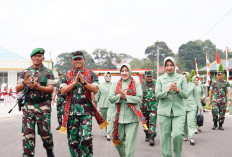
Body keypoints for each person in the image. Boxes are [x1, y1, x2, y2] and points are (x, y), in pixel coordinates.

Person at [16, 48, 55, 157]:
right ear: (31, 58)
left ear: (43, 58)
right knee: (28, 134)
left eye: (39, 56)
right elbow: (18, 88)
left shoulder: (48, 72)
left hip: (43, 106)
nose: (37, 58)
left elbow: (51, 89)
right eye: (35, 56)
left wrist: (37, 87)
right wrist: (24, 82)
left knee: (45, 133)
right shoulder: (25, 72)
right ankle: (28, 155)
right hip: (28, 106)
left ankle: (49, 149)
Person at [60, 51, 99, 157]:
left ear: (84, 60)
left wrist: (84, 82)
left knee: (86, 138)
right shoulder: (66, 74)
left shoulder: (91, 74)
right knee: (73, 141)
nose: (77, 61)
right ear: (71, 61)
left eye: (79, 59)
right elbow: (63, 91)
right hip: (71, 112)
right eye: (75, 59)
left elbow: (95, 89)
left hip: (86, 111)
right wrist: (74, 82)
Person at [109, 63, 145, 157]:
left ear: (130, 72)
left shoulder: (136, 83)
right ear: (120, 72)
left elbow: (139, 99)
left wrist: (126, 97)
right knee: (117, 142)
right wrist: (120, 96)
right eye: (122, 71)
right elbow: (111, 98)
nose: (124, 73)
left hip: (132, 119)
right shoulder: (115, 84)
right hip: (118, 119)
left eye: (126, 70)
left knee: (129, 145)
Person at [155, 57, 188, 157]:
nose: (169, 67)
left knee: (178, 135)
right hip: (164, 112)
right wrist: (168, 90)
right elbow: (157, 96)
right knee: (165, 138)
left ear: (174, 66)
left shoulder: (181, 78)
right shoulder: (160, 79)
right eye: (167, 65)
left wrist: (178, 90)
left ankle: (178, 154)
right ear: (165, 67)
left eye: (171, 65)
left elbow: (186, 95)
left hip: (179, 112)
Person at [182, 72, 201, 145]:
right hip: (182, 106)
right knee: (184, 123)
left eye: (185, 77)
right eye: (183, 77)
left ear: (188, 77)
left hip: (192, 106)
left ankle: (192, 137)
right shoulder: (180, 85)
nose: (184, 78)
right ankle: (185, 136)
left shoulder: (192, 85)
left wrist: (199, 106)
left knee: (191, 122)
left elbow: (196, 96)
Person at [95, 71, 114, 141]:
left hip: (111, 105)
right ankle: (107, 132)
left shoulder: (113, 85)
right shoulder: (101, 86)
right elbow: (97, 95)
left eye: (109, 76)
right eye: (107, 76)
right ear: (104, 77)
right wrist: (95, 103)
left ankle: (109, 134)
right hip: (103, 105)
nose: (108, 77)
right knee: (105, 120)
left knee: (110, 119)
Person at [140, 70, 158, 146]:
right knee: (145, 122)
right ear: (145, 77)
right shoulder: (141, 84)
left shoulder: (156, 83)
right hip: (144, 107)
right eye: (148, 76)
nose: (149, 78)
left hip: (153, 106)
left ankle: (152, 136)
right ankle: (147, 133)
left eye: (150, 76)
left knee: (152, 121)